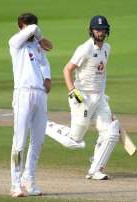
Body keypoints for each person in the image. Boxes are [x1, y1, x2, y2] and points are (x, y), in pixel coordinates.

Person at [45, 15, 120, 180]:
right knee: (75, 141)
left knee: (111, 132)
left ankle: (95, 169)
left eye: (103, 29)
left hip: (99, 98)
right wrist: (72, 91)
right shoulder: (85, 48)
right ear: (91, 31)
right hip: (82, 98)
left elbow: (102, 74)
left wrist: (103, 96)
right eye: (97, 29)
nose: (100, 32)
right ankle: (45, 125)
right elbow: (67, 69)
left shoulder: (107, 48)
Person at [8, 13, 53, 197]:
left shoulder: (36, 46)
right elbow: (34, 29)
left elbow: (44, 62)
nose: (32, 28)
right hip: (23, 93)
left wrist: (48, 78)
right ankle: (15, 184)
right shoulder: (15, 42)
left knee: (38, 141)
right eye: (28, 26)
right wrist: (41, 37)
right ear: (21, 27)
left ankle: (29, 179)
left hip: (40, 94)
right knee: (19, 141)